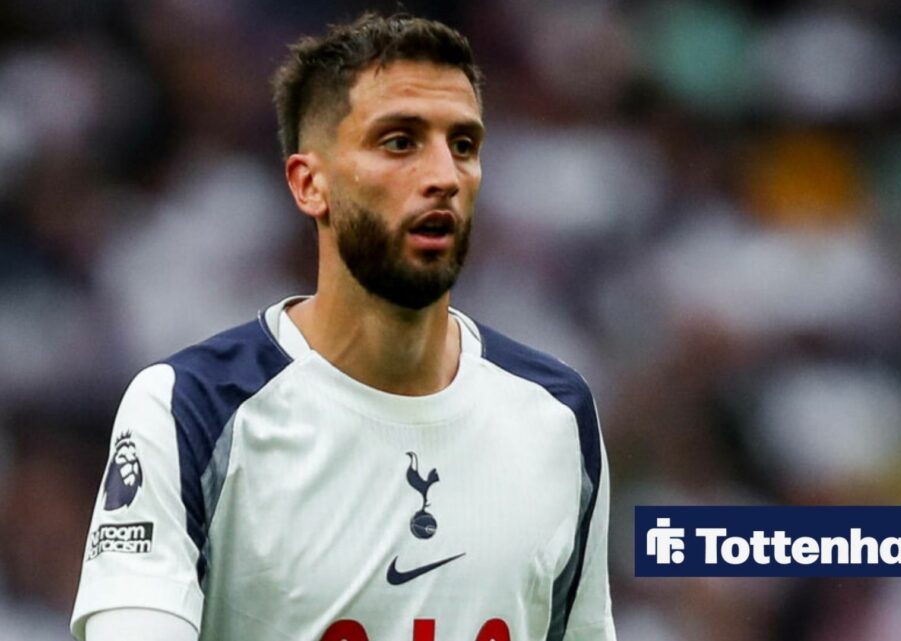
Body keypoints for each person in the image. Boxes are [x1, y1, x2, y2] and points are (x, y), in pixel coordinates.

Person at [70, 13, 615, 641]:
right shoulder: (190, 409)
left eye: (463, 145)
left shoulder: (558, 413)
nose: (443, 176)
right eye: (400, 142)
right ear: (310, 183)